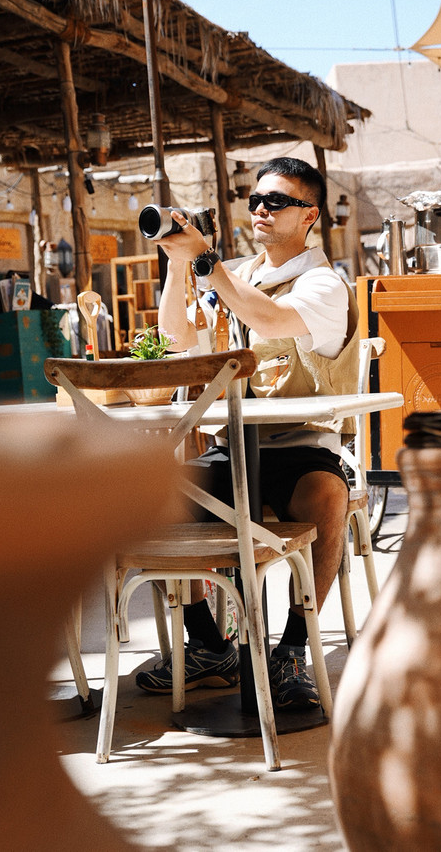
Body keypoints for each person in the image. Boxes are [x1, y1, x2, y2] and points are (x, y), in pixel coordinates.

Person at [136, 157, 359, 710]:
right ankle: (210, 648)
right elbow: (178, 340)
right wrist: (177, 265)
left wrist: (208, 264)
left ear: (310, 215)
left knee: (326, 495)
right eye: (255, 200)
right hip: (230, 449)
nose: (260, 209)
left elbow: (272, 321)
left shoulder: (324, 284)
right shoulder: (235, 274)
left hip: (302, 446)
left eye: (276, 201)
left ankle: (292, 650)